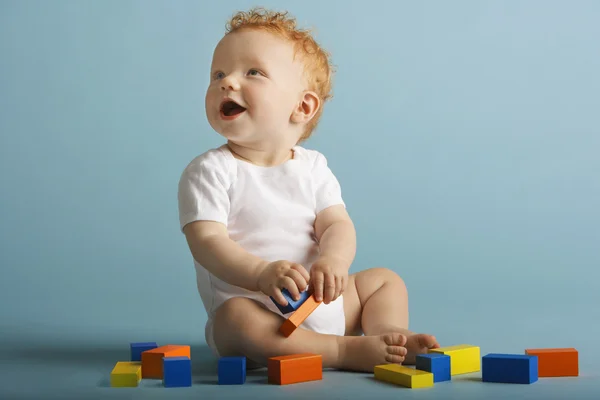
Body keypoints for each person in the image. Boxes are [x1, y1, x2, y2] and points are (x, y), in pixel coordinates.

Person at [178, 7, 439, 372]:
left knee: (384, 281)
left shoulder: (313, 167)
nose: (227, 82)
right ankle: (342, 352)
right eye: (218, 73)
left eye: (252, 72)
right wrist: (260, 274)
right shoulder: (209, 171)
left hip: (324, 301)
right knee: (233, 319)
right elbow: (207, 242)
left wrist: (334, 261)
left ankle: (389, 335)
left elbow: (336, 225)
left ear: (302, 106)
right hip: (262, 316)